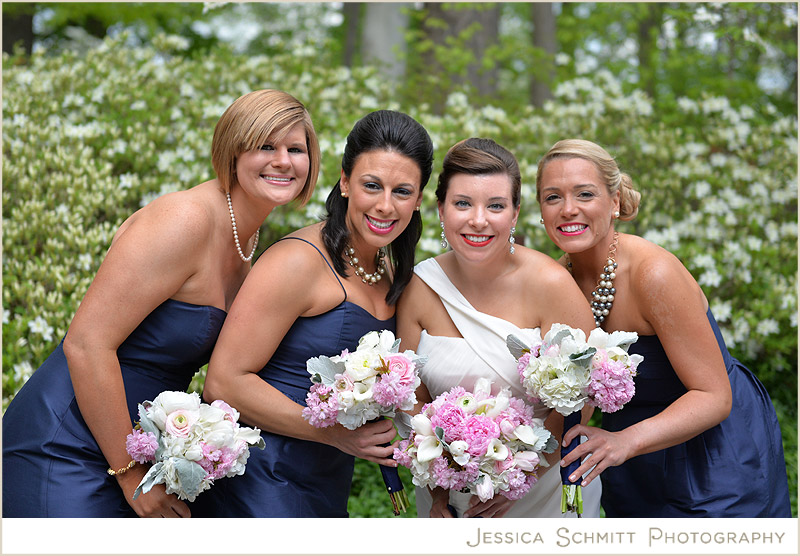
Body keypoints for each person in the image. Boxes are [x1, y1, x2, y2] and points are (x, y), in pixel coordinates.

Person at [2, 89, 320, 518]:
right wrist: (130, 474)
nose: (283, 160)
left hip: (141, 451)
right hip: (65, 444)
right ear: (231, 149)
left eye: (295, 149)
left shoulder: (250, 245)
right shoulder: (184, 220)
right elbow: (86, 345)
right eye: (265, 145)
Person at [191, 109, 434, 518]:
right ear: (344, 182)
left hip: (327, 477)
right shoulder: (297, 261)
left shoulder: (387, 271)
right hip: (262, 481)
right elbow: (224, 382)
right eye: (371, 186)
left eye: (402, 191)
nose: (385, 206)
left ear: (419, 199)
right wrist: (337, 434)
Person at [537, 138, 791, 517]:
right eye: (552, 197)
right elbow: (580, 400)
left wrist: (626, 441)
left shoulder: (653, 274)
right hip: (628, 455)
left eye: (584, 194)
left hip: (712, 447)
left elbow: (714, 395)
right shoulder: (557, 281)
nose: (568, 209)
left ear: (616, 202)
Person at [396, 137, 602, 518]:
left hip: (542, 491)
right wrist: (439, 487)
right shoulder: (420, 288)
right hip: (447, 495)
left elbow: (584, 397)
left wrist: (521, 477)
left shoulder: (551, 284)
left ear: (515, 213)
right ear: (440, 209)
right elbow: (413, 400)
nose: (478, 219)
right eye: (462, 204)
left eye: (495, 205)